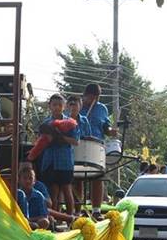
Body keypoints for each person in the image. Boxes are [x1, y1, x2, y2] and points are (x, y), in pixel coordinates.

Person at [38, 94, 79, 216]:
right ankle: (55, 219)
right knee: (53, 191)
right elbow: (40, 142)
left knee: (67, 189)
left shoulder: (70, 122)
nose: (57, 107)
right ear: (49, 106)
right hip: (50, 161)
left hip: (65, 162)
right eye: (54, 105)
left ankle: (70, 218)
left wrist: (60, 137)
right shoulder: (46, 123)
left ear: (64, 106)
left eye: (60, 105)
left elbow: (76, 141)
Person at [81, 84, 117, 221]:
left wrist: (110, 130)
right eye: (92, 97)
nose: (94, 100)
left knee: (97, 177)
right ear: (85, 95)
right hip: (79, 143)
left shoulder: (102, 108)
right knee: (78, 176)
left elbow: (105, 125)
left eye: (97, 97)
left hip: (97, 145)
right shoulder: (77, 106)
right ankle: (78, 209)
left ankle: (96, 210)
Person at [67, 95, 91, 215]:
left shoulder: (84, 121)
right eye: (71, 104)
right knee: (65, 183)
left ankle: (78, 210)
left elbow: (88, 137)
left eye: (75, 104)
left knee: (79, 181)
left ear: (80, 106)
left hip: (80, 155)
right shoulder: (64, 119)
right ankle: (66, 210)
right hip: (66, 155)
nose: (73, 107)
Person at [17, 165, 51, 230]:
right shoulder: (17, 194)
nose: (28, 181)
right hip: (20, 222)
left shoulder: (39, 195)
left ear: (34, 181)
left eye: (30, 178)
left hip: (34, 222)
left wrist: (29, 220)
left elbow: (44, 216)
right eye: (25, 178)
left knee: (45, 222)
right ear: (19, 180)